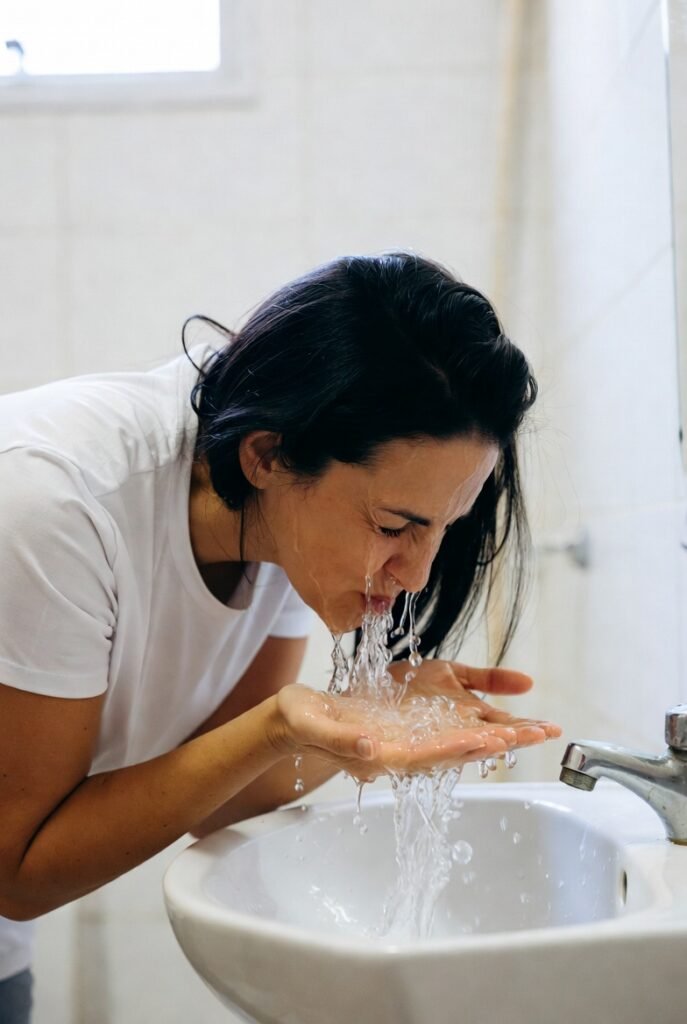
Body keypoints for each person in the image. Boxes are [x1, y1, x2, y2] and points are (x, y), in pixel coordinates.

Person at [0, 251, 559, 1022]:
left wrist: (345, 727)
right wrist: (276, 724)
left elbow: (223, 800)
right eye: (395, 525)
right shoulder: (50, 503)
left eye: (441, 528)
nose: (417, 572)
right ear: (265, 455)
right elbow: (17, 871)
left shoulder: (289, 526)